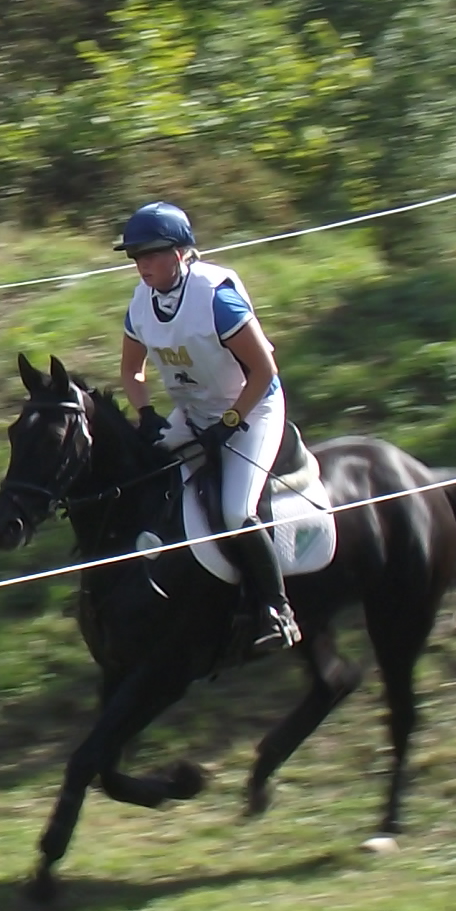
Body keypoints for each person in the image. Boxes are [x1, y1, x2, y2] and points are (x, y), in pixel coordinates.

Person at [112, 200, 301, 656]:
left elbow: (265, 371)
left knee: (237, 511)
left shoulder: (215, 298)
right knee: (144, 479)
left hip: (252, 412)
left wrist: (231, 423)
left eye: (153, 254)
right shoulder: (141, 305)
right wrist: (145, 413)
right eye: (137, 256)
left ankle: (279, 611)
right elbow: (131, 372)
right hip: (195, 414)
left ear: (181, 253)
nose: (143, 265)